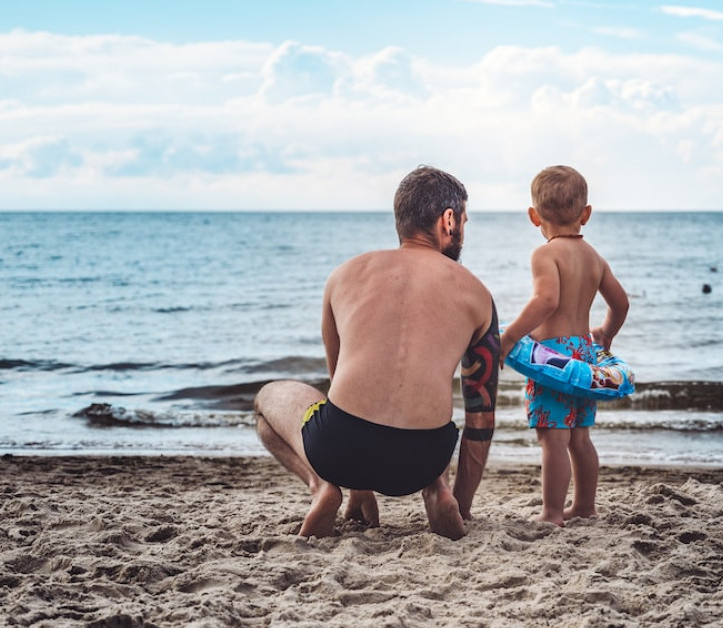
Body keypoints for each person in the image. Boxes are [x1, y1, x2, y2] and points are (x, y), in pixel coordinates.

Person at [253, 166, 500, 540]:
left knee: (266, 399)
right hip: (421, 461)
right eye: (464, 221)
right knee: (434, 407)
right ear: (448, 220)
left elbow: (340, 382)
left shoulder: (344, 275)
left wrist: (358, 485)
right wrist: (462, 506)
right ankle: (438, 492)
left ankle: (323, 487)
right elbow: (481, 418)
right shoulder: (478, 295)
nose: (463, 232)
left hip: (340, 449)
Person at [499, 165, 629, 527]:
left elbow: (546, 301)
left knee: (553, 439)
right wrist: (605, 333)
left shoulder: (545, 254)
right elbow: (621, 304)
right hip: (585, 357)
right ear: (585, 214)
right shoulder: (594, 258)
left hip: (553, 359)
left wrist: (509, 338)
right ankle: (585, 506)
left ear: (533, 216)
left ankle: (552, 513)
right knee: (580, 437)